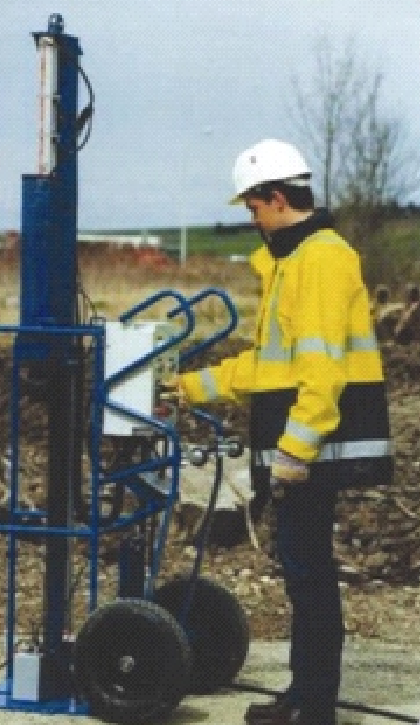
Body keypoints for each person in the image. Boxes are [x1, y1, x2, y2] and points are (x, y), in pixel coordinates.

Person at [172, 139, 393, 725]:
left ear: (276, 198)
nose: (252, 219)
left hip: (313, 447)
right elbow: (271, 367)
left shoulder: (320, 259)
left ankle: (313, 705)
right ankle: (305, 695)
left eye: (253, 207)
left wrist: (295, 451)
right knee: (303, 571)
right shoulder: (292, 261)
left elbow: (322, 368)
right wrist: (192, 386)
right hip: (303, 444)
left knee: (308, 573)